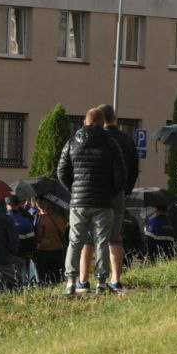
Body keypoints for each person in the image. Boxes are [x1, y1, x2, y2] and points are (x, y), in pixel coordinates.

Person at [57, 106, 127, 295]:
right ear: (101, 123)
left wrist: (74, 189)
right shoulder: (110, 142)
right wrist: (111, 191)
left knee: (75, 241)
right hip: (103, 202)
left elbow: (61, 171)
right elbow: (121, 174)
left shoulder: (72, 141)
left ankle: (71, 282)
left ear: (85, 121)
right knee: (102, 242)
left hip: (79, 202)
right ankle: (101, 282)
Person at [98, 106, 139, 293]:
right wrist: (127, 188)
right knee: (115, 237)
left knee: (96, 237)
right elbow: (134, 166)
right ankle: (116, 278)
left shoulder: (98, 138)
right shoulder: (126, 139)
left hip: (98, 193)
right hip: (119, 193)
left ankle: (96, 278)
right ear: (115, 118)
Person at [32, 197, 68, 284]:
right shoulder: (60, 216)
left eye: (40, 202)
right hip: (56, 250)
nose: (39, 204)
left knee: (45, 280)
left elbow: (37, 236)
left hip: (46, 252)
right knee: (56, 279)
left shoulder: (37, 217)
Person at [6, 195, 37, 285]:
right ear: (18, 204)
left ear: (7, 204)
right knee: (24, 276)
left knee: (14, 277)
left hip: (12, 253)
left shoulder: (6, 218)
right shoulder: (26, 216)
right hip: (26, 252)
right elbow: (32, 236)